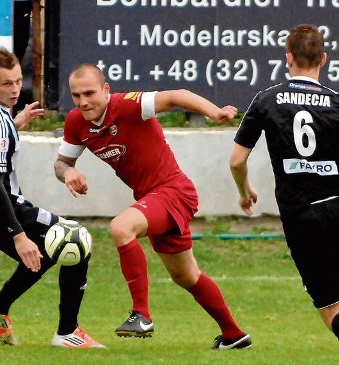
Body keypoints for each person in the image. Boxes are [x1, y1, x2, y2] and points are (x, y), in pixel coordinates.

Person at [54, 63, 251, 349]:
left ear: (106, 90)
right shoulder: (76, 122)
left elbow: (176, 95)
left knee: (121, 228)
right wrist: (68, 173)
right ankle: (234, 336)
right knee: (186, 276)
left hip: (174, 191)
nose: (83, 102)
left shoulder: (129, 105)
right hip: (153, 199)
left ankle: (141, 315)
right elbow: (61, 163)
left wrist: (214, 112)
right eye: (76, 95)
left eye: (89, 93)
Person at [0, 47, 104, 348]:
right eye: (7, 83)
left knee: (48, 252)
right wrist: (19, 235)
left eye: (19, 81)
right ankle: (67, 332)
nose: (16, 89)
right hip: (1, 207)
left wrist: (15, 124)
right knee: (77, 240)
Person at [229, 24, 339, 341]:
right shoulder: (335, 103)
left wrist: (244, 192)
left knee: (331, 306)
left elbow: (237, 160)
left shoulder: (267, 100)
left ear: (287, 58)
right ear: (324, 59)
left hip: (302, 215)